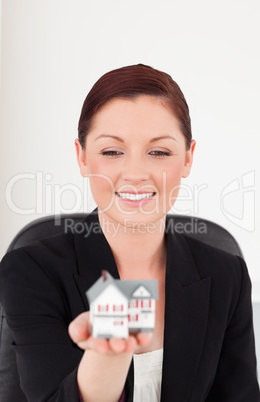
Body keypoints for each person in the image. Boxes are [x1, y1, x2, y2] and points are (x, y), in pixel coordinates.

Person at [0, 64, 259, 402]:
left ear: (187, 158)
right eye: (112, 151)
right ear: (82, 157)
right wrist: (109, 353)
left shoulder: (227, 274)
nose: (135, 174)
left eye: (159, 152)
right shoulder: (30, 270)